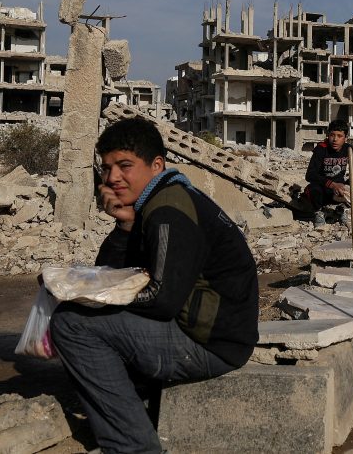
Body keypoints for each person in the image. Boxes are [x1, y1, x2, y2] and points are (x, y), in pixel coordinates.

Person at [49, 117, 258, 453]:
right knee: (86, 317)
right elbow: (116, 271)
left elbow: (161, 299)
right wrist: (125, 226)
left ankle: (134, 447)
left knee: (71, 324)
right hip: (211, 332)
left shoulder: (168, 210)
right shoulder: (160, 201)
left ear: (156, 165)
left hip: (210, 343)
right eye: (106, 168)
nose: (113, 177)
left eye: (125, 166)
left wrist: (88, 297)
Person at [304, 119, 353, 227]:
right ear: (328, 135)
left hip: (341, 191)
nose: (335, 139)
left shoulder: (348, 149)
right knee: (312, 189)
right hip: (325, 188)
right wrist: (332, 184)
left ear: (345, 138)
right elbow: (310, 175)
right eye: (332, 135)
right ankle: (320, 212)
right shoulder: (321, 149)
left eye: (339, 136)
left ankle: (342, 208)